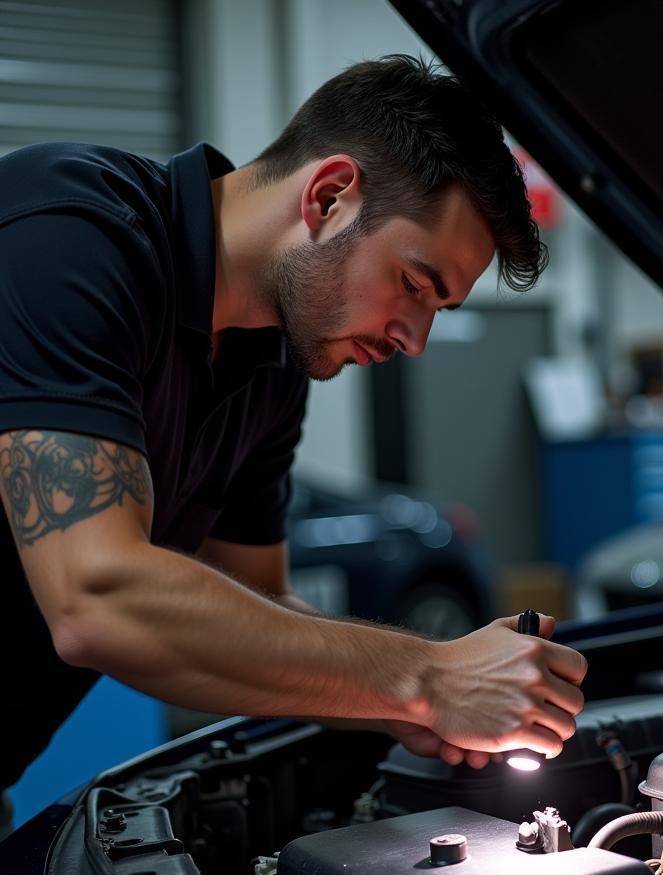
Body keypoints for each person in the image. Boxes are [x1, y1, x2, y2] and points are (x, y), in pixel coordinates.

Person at [0, 55, 587, 800]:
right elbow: (99, 598)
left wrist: (407, 701)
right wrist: (426, 679)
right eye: (414, 285)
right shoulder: (70, 234)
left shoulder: (273, 370)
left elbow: (258, 602)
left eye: (438, 311)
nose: (414, 341)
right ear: (330, 196)